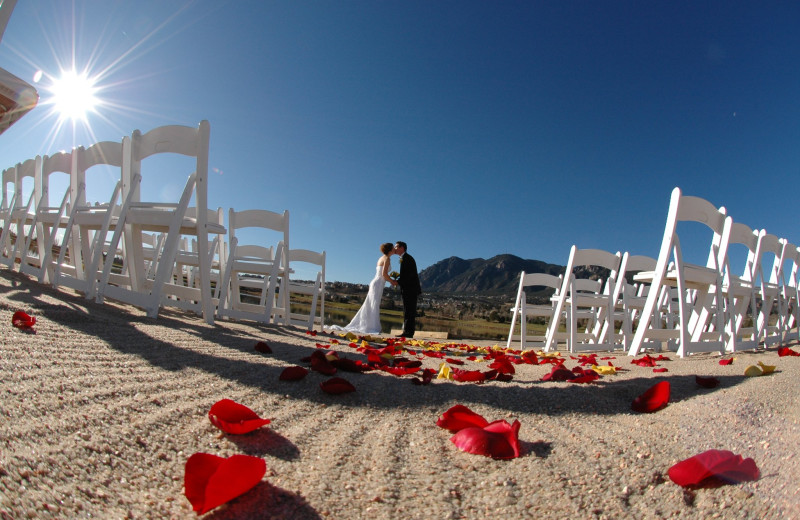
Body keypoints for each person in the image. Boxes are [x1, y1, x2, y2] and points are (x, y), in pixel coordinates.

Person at [328, 243, 397, 334]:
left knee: (371, 304)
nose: (394, 249)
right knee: (374, 304)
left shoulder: (381, 258)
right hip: (378, 283)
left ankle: (370, 325)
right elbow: (384, 274)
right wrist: (392, 281)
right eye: (393, 248)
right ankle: (373, 327)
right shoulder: (387, 259)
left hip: (376, 282)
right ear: (390, 250)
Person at [394, 241, 421, 338]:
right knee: (408, 310)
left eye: (396, 247)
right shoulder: (404, 258)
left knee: (409, 310)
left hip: (410, 289)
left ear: (402, 248)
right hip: (409, 289)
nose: (395, 248)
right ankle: (408, 331)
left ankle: (408, 332)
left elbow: (409, 276)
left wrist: (398, 282)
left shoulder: (407, 259)